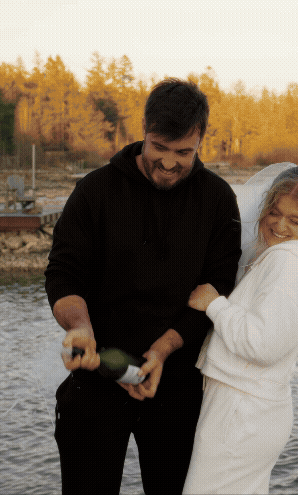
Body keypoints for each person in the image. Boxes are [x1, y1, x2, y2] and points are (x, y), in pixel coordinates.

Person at [45, 78, 241, 495]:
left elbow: (218, 286)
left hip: (178, 388)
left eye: (183, 153)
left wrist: (163, 349)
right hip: (96, 381)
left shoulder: (218, 199)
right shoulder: (94, 191)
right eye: (159, 148)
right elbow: (63, 272)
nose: (169, 163)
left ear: (200, 140)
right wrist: (79, 326)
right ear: (144, 131)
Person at [183, 165, 298, 495]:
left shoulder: (287, 262)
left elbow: (264, 344)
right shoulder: (275, 256)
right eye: (274, 213)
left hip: (243, 410)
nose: (279, 225)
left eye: (295, 220)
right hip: (250, 406)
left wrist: (214, 304)